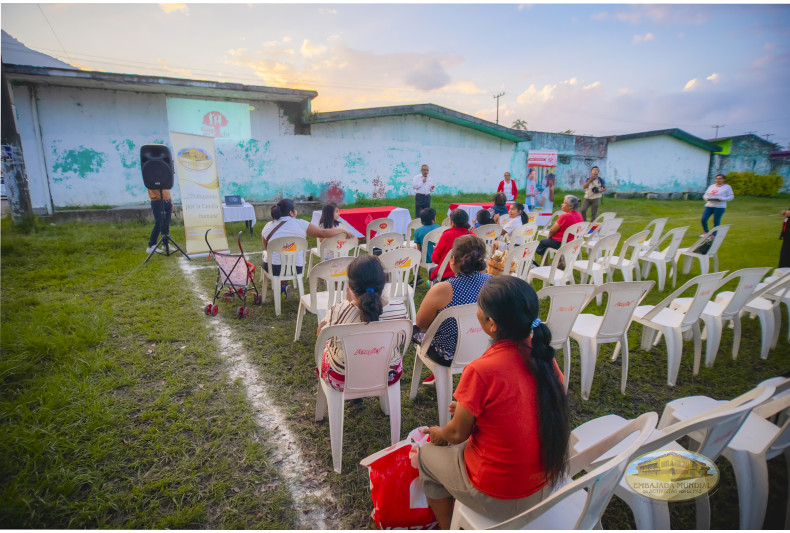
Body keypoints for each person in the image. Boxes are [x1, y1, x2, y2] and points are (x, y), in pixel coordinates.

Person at [418, 275, 569, 529]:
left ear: (492, 325)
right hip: (546, 483)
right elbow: (520, 406)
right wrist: (474, 412)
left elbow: (456, 434)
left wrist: (438, 433)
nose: (476, 311)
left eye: (479, 308)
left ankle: (446, 526)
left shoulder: (481, 370)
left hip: (501, 497)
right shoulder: (545, 357)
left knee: (425, 456)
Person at [318, 255, 409, 392]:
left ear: (350, 287)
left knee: (328, 343)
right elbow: (401, 340)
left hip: (342, 378)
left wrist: (347, 303)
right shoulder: (400, 310)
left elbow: (321, 334)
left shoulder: (339, 310)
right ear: (383, 283)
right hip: (388, 374)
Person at [415, 235, 492, 385]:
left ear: (453, 259)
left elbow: (421, 324)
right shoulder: (492, 281)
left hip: (446, 353)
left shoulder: (443, 289)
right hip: (483, 346)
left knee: (414, 331)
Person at [262, 198, 353, 298]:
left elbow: (267, 248)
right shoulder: (301, 224)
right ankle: (283, 284)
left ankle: (282, 285)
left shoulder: (267, 226)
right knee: (289, 258)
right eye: (295, 209)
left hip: (274, 268)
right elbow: (322, 233)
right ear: (291, 213)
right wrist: (342, 230)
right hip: (296, 268)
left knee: (273, 257)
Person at [534, 195, 583, 263]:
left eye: (564, 203)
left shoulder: (565, 216)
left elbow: (552, 230)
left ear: (571, 206)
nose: (562, 204)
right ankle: (560, 262)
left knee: (542, 243)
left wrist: (549, 237)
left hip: (561, 242)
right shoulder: (579, 215)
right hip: (573, 242)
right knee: (549, 242)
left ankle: (545, 264)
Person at [430, 209, 471, 282]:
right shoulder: (473, 236)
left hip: (447, 275)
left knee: (431, 271)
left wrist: (436, 249)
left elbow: (435, 259)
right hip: (469, 274)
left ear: (452, 223)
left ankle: (435, 289)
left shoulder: (447, 235)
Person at [146, 186, 171, 254]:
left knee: (166, 224)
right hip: (157, 201)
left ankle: (165, 244)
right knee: (159, 224)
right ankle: (151, 246)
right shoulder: (151, 177)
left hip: (167, 201)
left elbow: (166, 188)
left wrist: (170, 200)